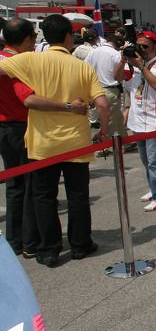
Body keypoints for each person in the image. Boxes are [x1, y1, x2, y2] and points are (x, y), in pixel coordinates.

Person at [0, 14, 110, 267]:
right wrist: (102, 131)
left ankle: (49, 250)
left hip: (43, 144)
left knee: (43, 196)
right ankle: (81, 244)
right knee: (78, 195)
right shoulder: (82, 66)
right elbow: (102, 104)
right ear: (69, 37)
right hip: (76, 142)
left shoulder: (29, 60)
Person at [0, 18, 40, 258]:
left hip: (4, 128)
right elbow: (28, 97)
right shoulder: (18, 64)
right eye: (34, 38)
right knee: (29, 185)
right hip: (21, 127)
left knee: (15, 186)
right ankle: (28, 241)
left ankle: (15, 240)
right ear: (26, 40)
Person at [125, 30, 156, 211]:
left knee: (154, 160)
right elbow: (117, 77)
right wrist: (124, 59)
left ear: (155, 46)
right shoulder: (137, 65)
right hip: (138, 120)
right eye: (139, 46)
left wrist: (141, 67)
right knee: (146, 160)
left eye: (145, 46)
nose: (142, 50)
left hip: (155, 120)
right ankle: (154, 189)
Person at [85, 34, 127, 137]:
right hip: (110, 90)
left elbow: (85, 69)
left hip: (96, 90)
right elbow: (120, 75)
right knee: (109, 121)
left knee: (117, 117)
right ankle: (103, 147)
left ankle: (126, 141)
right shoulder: (116, 54)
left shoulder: (93, 52)